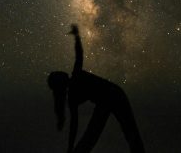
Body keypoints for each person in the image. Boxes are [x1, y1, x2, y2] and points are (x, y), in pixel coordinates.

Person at [48, 25, 145, 153]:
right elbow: (79, 55)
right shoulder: (74, 85)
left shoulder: (74, 87)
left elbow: (79, 55)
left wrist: (70, 148)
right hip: (109, 98)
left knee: (124, 133)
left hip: (112, 95)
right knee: (126, 134)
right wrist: (77, 37)